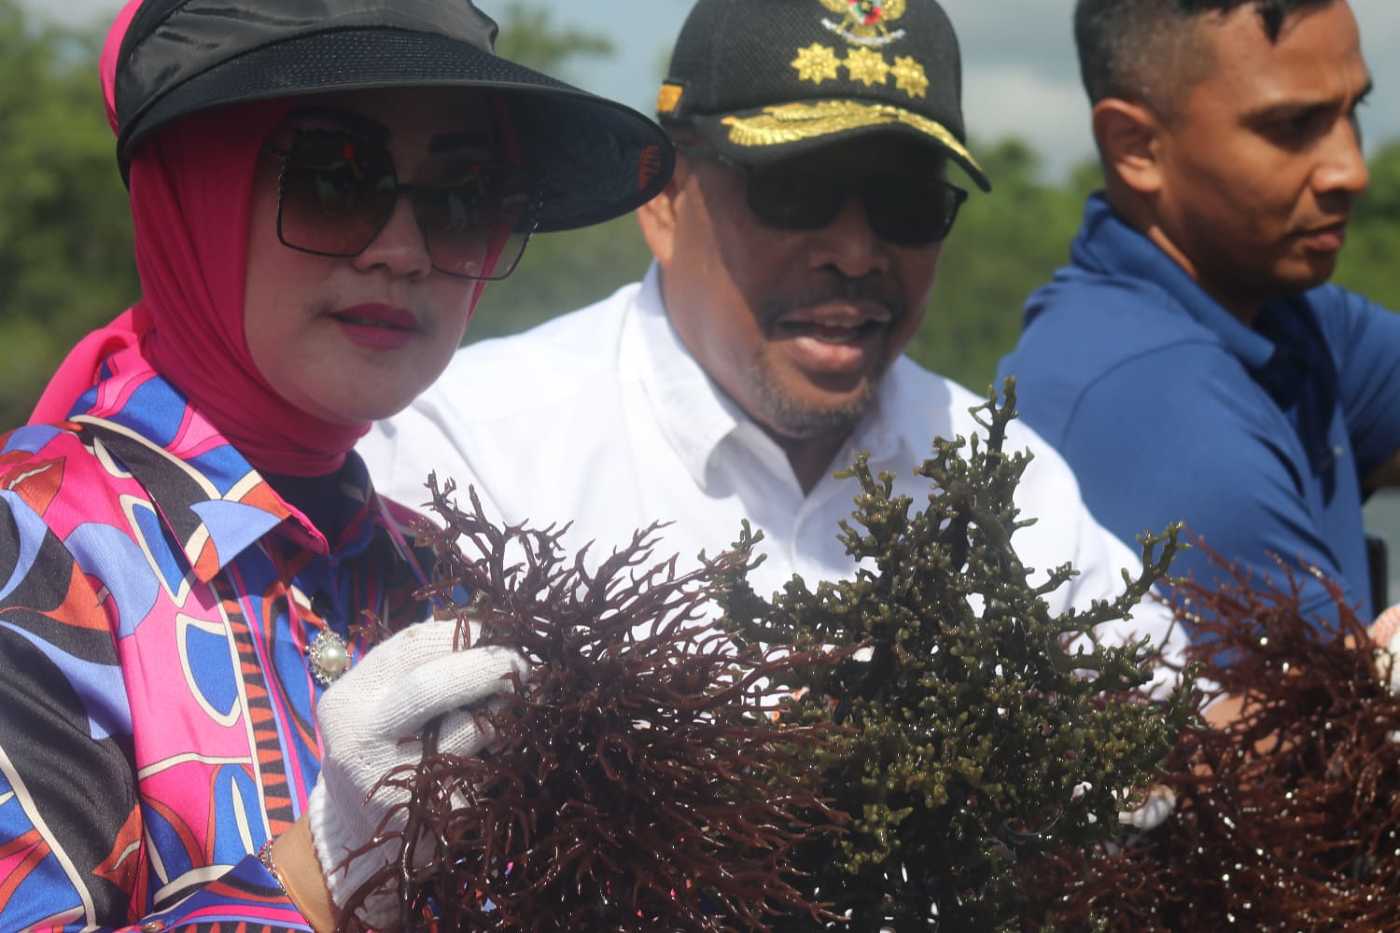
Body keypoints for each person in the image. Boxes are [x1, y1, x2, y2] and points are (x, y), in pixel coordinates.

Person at [0, 0, 671, 928]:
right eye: (331, 179)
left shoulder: (443, 577)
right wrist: (324, 869)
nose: (400, 251)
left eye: (460, 197)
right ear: (193, 191)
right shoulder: (34, 547)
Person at [361, 0, 1182, 671]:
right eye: (795, 191)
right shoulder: (471, 458)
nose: (856, 253)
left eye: (906, 204)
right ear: (664, 200)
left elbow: (1178, 734)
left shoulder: (1018, 486)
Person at [996, 0, 1400, 630]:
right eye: (1294, 125)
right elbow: (1341, 724)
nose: (1352, 171)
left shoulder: (1277, 313)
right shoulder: (1157, 413)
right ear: (1138, 148)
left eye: (1355, 113)